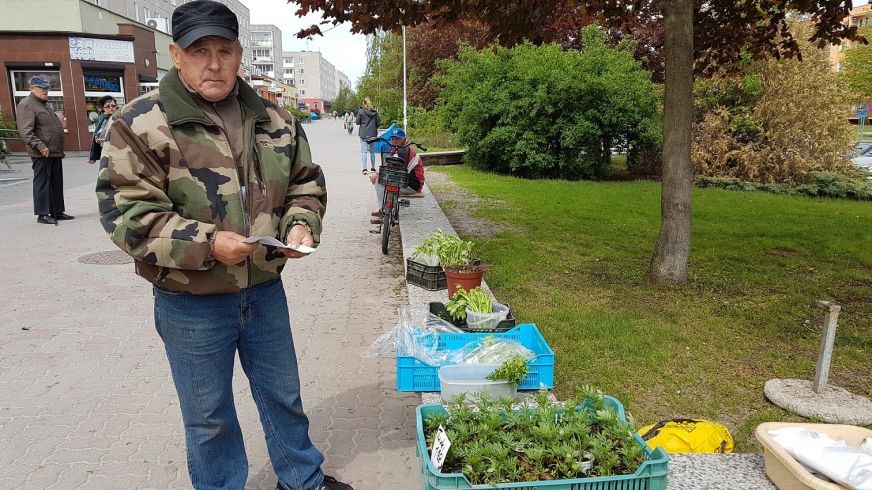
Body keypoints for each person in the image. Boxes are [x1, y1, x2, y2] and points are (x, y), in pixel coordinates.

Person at [94, 2, 353, 490]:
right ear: (176, 54)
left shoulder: (274, 117)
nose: (213, 63)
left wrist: (300, 226)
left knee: (283, 395)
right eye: (199, 51)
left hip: (263, 290)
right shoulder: (140, 122)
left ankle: (302, 479)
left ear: (239, 55)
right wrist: (211, 244)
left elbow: (305, 184)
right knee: (208, 418)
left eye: (224, 50)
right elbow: (128, 218)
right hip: (190, 302)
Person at [16, 75, 74, 225]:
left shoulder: (44, 104)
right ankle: (42, 213)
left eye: (47, 88)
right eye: (42, 88)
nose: (46, 90)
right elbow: (25, 130)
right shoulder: (27, 104)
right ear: (32, 88)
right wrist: (40, 146)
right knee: (42, 182)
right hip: (41, 151)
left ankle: (57, 211)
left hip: (54, 150)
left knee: (56, 181)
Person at [369, 127, 424, 224]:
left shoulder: (409, 152)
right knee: (381, 181)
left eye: (397, 139)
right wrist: (378, 175)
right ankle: (386, 210)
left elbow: (400, 172)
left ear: (403, 139)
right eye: (392, 139)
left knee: (379, 183)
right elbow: (389, 167)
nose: (394, 141)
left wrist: (378, 177)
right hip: (403, 181)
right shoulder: (397, 150)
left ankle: (384, 212)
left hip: (412, 185)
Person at [87, 95, 117, 164]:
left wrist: (108, 140)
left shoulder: (119, 118)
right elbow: (96, 135)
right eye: (107, 106)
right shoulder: (102, 118)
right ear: (103, 108)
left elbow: (123, 135)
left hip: (116, 152)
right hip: (104, 151)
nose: (111, 108)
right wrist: (93, 157)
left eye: (113, 105)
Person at [355, 97, 380, 175]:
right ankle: (373, 167)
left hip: (363, 134)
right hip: (372, 134)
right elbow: (379, 123)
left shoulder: (361, 111)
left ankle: (365, 168)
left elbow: (357, 122)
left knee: (364, 151)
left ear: (363, 103)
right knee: (372, 151)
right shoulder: (375, 112)